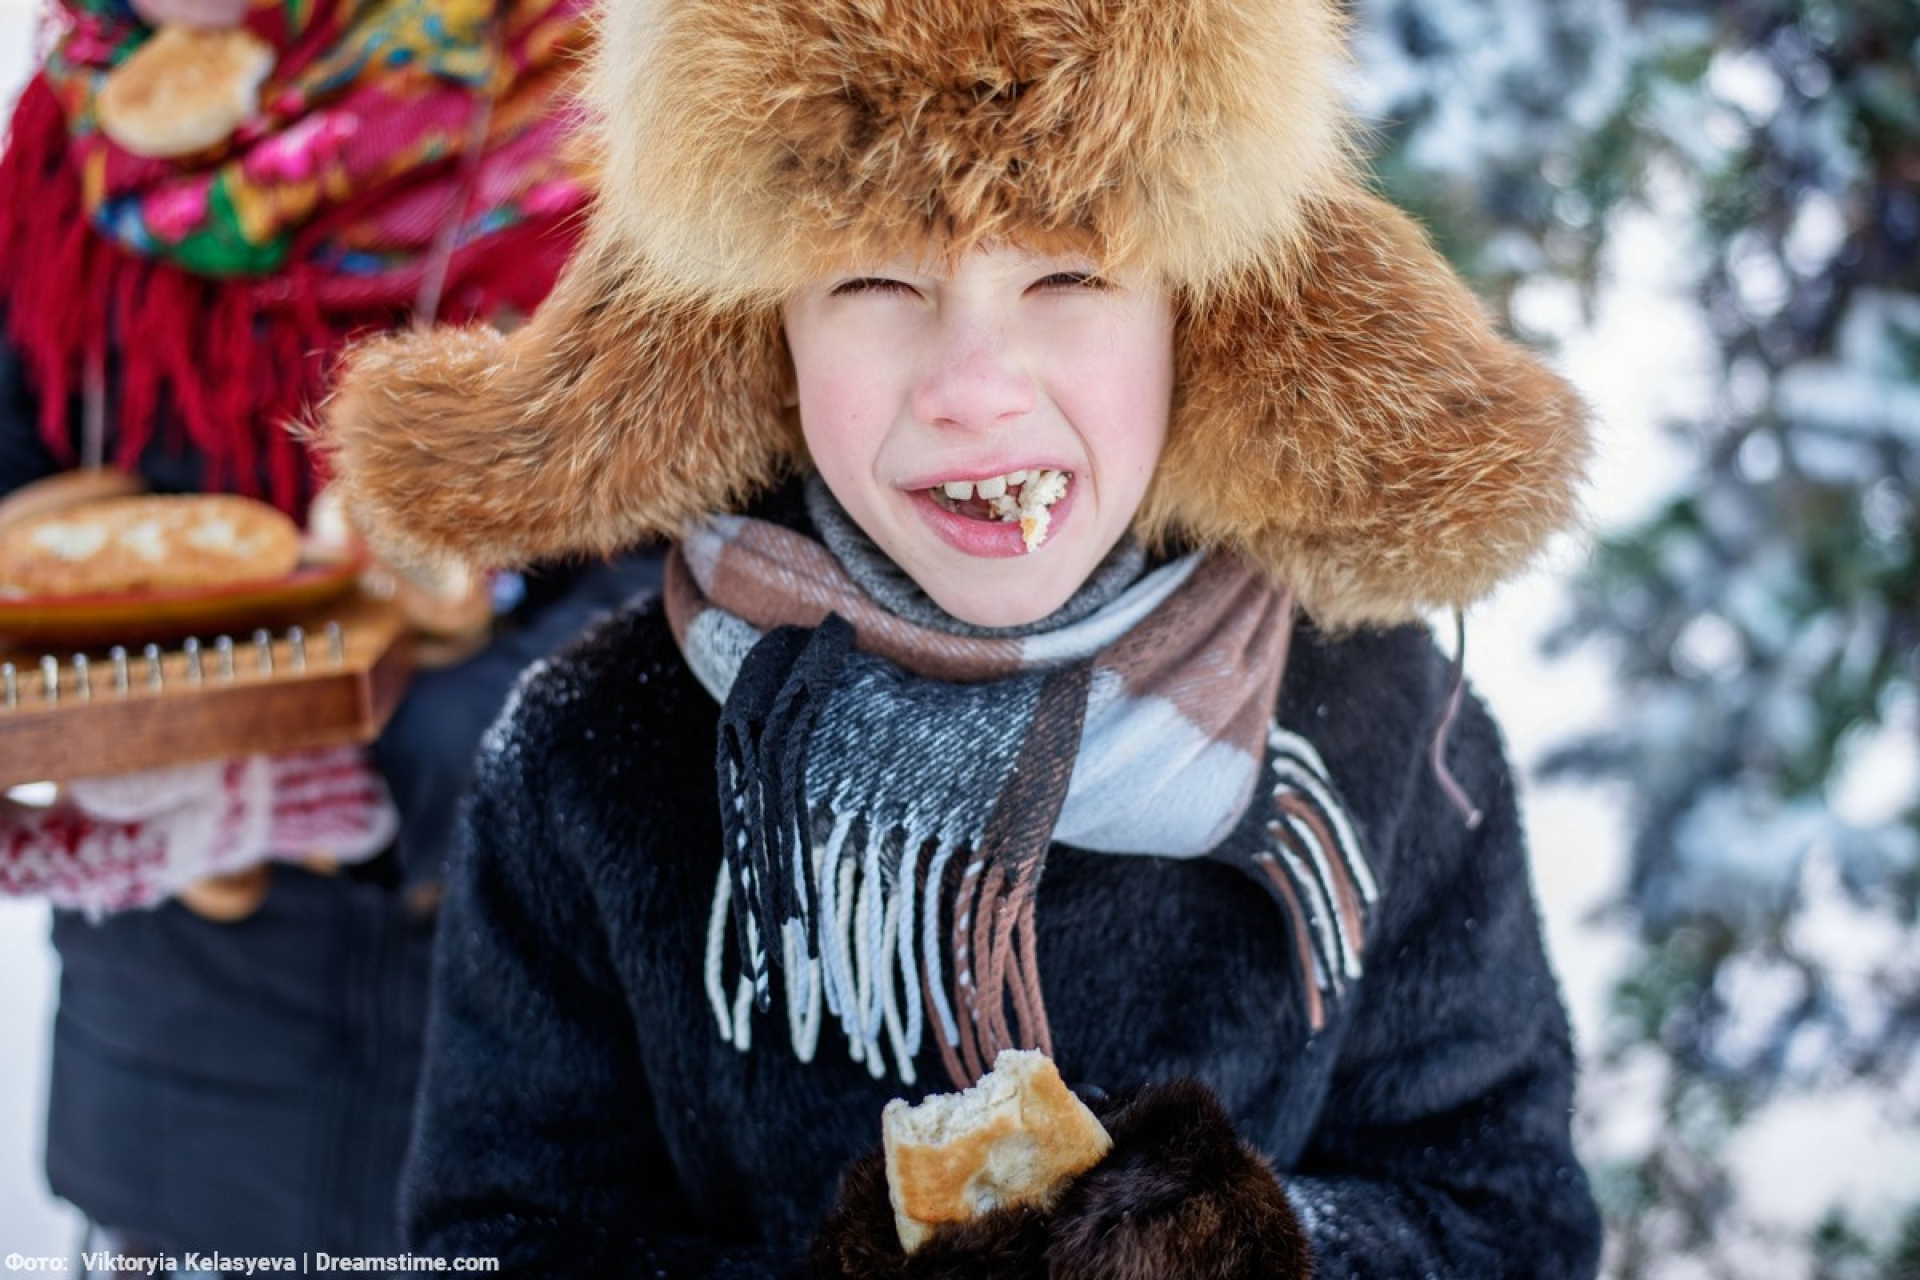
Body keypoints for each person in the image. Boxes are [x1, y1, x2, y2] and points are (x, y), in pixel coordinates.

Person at [324, 0, 1604, 1275]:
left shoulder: (1387, 730)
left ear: (1205, 307)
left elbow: (1504, 1216)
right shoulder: (591, 759)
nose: (974, 387)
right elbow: (499, 1236)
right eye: (875, 279)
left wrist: (1265, 1254)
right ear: (755, 322)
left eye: (1071, 274)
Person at [0, 0, 660, 1264]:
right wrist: (62, 737)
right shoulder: (72, 142)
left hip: (510, 1046)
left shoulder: (594, 121)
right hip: (170, 1068)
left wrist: (382, 767)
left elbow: (692, 570)